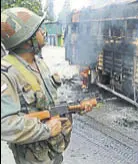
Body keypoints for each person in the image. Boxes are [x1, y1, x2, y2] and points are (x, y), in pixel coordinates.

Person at [1, 7, 92, 164]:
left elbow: (49, 105)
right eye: (38, 29)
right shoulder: (7, 73)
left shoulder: (39, 63)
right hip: (32, 157)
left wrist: (76, 108)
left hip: (52, 151)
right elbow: (5, 124)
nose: (43, 32)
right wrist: (46, 130)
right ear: (28, 38)